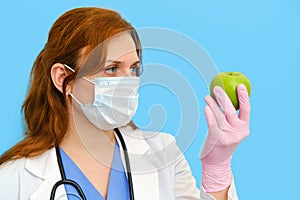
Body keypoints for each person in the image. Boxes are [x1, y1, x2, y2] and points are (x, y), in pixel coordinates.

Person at [0, 7, 251, 200]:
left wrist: (216, 168)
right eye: (111, 69)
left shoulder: (162, 153)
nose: (127, 82)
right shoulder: (13, 179)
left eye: (133, 69)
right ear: (64, 79)